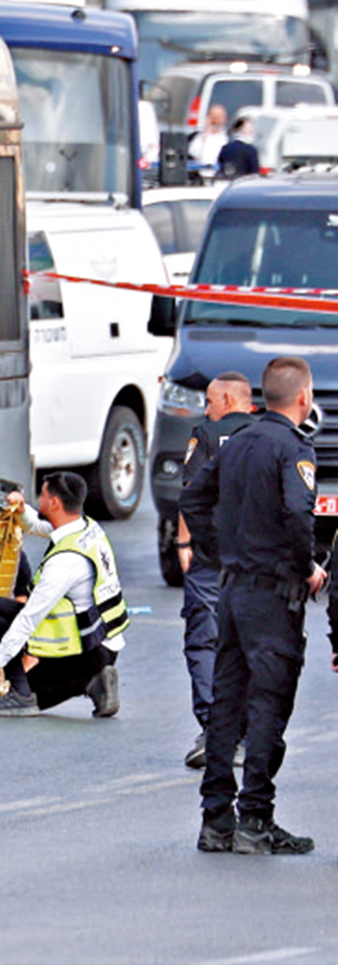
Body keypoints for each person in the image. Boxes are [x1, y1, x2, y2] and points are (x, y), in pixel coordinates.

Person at [182, 356, 324, 856]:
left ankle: (215, 819)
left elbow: (193, 498)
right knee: (268, 706)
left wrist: (217, 551)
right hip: (272, 595)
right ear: (303, 399)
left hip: (233, 590)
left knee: (227, 705)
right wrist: (306, 566)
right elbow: (297, 513)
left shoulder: (235, 443)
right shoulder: (293, 449)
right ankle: (255, 820)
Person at [0, 472, 128, 718]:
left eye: (42, 496)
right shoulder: (87, 528)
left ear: (55, 503)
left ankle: (29, 694)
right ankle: (98, 677)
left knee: (1, 614)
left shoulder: (65, 562)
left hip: (86, 653)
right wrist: (22, 510)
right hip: (102, 641)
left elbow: (27, 620)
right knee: (24, 670)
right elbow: (39, 526)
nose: (38, 501)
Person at [178, 372, 256, 769]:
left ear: (226, 399)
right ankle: (244, 734)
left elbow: (190, 493)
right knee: (251, 645)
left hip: (212, 559)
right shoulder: (271, 436)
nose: (206, 410)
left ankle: (214, 729)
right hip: (259, 562)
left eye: (210, 401)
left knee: (205, 641)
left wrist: (186, 542)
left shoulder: (207, 435)